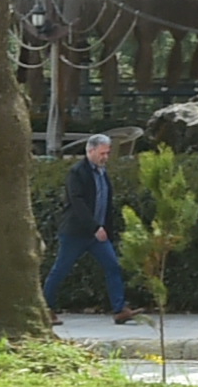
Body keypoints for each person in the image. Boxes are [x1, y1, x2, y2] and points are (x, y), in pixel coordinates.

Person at [43, 134, 134, 324]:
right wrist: (94, 226)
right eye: (102, 153)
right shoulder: (77, 172)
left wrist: (106, 228)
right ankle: (45, 308)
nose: (105, 157)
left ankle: (119, 309)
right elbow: (77, 203)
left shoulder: (102, 173)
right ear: (90, 151)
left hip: (98, 234)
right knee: (61, 269)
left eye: (107, 153)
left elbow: (106, 202)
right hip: (76, 233)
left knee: (113, 266)